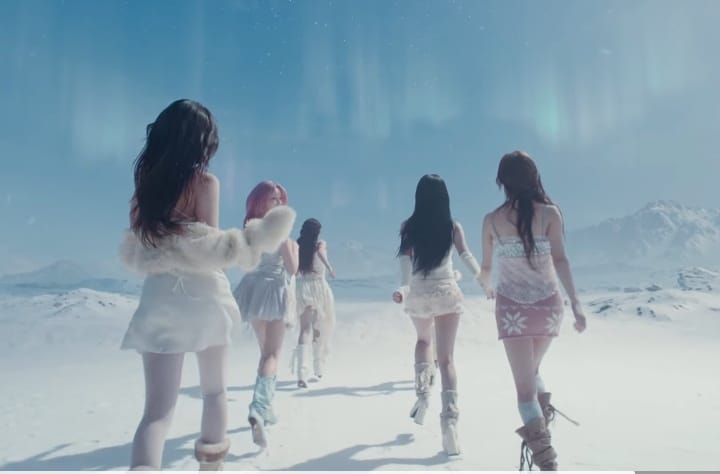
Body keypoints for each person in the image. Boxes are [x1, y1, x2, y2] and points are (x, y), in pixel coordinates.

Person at [120, 100, 295, 470]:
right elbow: (209, 246)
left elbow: (142, 239)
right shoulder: (205, 183)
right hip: (205, 297)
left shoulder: (145, 187)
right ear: (201, 142)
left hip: (160, 297)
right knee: (214, 392)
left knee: (156, 414)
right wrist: (251, 241)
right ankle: (211, 466)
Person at [479, 150, 587, 471]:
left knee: (524, 390)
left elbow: (486, 269)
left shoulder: (491, 220)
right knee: (533, 370)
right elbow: (561, 260)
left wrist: (486, 285)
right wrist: (576, 303)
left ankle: (546, 461)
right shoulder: (551, 214)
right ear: (534, 178)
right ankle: (543, 415)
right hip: (548, 307)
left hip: (512, 310)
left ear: (502, 181)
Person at [392, 174, 484, 456]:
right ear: (445, 198)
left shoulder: (408, 227)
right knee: (446, 360)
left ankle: (422, 398)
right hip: (446, 292)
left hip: (419, 293)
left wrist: (404, 288)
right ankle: (450, 425)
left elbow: (405, 264)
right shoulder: (452, 227)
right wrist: (482, 278)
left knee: (423, 342)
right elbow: (466, 255)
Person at [233, 181, 299, 448]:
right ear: (262, 202)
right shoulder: (279, 231)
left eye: (281, 198)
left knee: (265, 354)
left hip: (252, 291)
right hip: (273, 289)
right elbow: (293, 269)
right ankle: (259, 407)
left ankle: (267, 407)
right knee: (272, 355)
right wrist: (292, 247)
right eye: (274, 199)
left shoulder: (249, 231)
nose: (279, 203)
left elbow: (244, 262)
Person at [291, 218, 337, 388]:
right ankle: (318, 367)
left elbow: (294, 270)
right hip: (318, 288)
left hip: (302, 288)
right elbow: (321, 253)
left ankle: (302, 373)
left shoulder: (298, 246)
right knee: (319, 328)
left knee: (305, 329)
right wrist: (329, 267)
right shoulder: (320, 244)